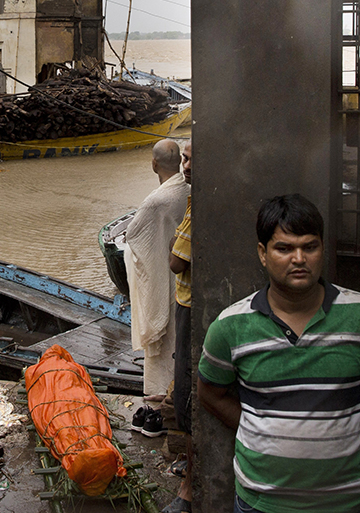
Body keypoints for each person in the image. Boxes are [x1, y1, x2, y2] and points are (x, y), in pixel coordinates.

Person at [198, 194, 360, 513]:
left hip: (346, 502)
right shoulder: (229, 327)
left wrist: (346, 426)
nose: (299, 258)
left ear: (322, 249)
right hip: (261, 503)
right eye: (284, 248)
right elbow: (211, 394)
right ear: (262, 254)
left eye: (310, 246)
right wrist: (259, 427)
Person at [124, 138, 190, 399]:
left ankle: (159, 395)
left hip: (166, 275)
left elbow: (134, 236)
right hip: (180, 278)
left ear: (154, 165)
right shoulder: (187, 190)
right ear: (180, 163)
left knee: (165, 340)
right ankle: (175, 393)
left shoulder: (156, 201)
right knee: (178, 339)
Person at [165, 140, 194, 513]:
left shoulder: (197, 206)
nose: (185, 166)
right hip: (187, 300)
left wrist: (175, 243)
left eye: (190, 159)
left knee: (187, 389)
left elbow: (175, 261)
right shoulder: (192, 200)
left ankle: (190, 485)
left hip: (190, 304)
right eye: (182, 159)